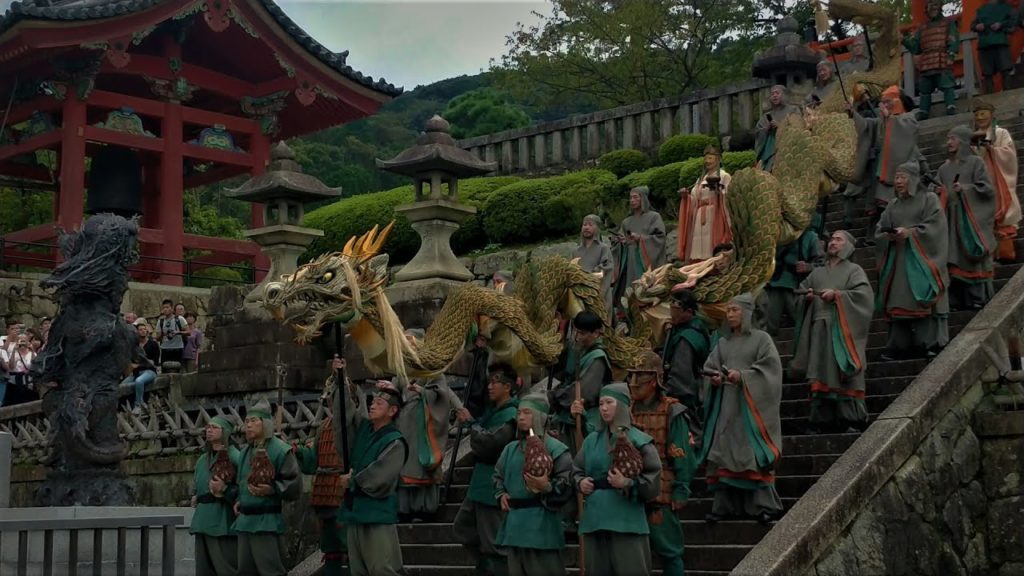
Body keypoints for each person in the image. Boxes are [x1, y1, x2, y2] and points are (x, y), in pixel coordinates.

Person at [701, 293, 784, 525]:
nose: (730, 314)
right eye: (728, 311)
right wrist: (715, 378)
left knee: (751, 456)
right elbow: (710, 366)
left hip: (751, 408)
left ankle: (764, 506)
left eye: (734, 310)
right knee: (724, 454)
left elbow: (771, 371)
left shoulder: (762, 339)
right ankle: (724, 506)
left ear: (747, 313)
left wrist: (744, 377)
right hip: (726, 406)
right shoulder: (722, 343)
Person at [572, 382, 662, 576]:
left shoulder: (640, 441)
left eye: (609, 402)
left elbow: (653, 481)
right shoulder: (591, 441)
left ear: (621, 404)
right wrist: (580, 482)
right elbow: (576, 469)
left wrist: (627, 483)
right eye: (601, 403)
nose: (603, 408)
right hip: (595, 519)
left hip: (626, 520)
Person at [791, 231, 874, 434]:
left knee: (844, 372)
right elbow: (799, 293)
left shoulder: (854, 270)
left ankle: (851, 418)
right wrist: (806, 299)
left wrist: (838, 296)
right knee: (820, 372)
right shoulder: (817, 273)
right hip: (819, 329)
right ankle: (821, 420)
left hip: (842, 329)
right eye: (832, 239)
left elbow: (864, 297)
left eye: (839, 240)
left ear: (848, 246)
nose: (833, 243)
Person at [627, 351, 697, 576]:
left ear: (655, 380)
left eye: (640, 378)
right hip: (629, 488)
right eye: (631, 377)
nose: (634, 384)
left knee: (669, 550)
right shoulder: (625, 409)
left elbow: (681, 454)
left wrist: (681, 489)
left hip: (662, 487)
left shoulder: (672, 410)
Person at [336, 367, 408, 576]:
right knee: (358, 570)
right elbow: (344, 415)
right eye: (372, 402)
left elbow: (379, 476)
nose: (372, 405)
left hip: (377, 515)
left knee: (381, 569)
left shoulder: (395, 441)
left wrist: (351, 482)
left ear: (392, 411)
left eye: (379, 403)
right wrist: (340, 379)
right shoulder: (364, 429)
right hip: (355, 512)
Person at [493, 391, 573, 576]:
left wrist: (547, 487)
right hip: (514, 526)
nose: (520, 416)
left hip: (542, 525)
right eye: (519, 412)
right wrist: (501, 494)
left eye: (527, 412)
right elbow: (497, 476)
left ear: (539, 415)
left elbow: (567, 484)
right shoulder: (510, 449)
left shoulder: (556, 449)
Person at [876, 162, 949, 360]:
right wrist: (888, 236)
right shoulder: (893, 205)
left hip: (922, 260)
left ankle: (930, 343)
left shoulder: (929, 199)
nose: (898, 181)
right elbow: (880, 229)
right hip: (899, 262)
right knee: (897, 302)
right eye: (897, 177)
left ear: (914, 179)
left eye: (902, 177)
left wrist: (911, 233)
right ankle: (898, 345)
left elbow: (936, 227)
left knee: (923, 300)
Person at [453, 362, 520, 576]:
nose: (490, 386)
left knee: (494, 543)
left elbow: (491, 444)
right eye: (489, 382)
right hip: (479, 484)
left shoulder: (510, 415)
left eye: (495, 382)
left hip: (493, 484)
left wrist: (471, 424)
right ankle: (485, 567)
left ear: (508, 386)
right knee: (463, 528)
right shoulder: (495, 411)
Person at [392, 330, 463, 522]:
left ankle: (424, 508)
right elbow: (396, 391)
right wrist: (389, 390)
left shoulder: (431, 367)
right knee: (404, 462)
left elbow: (441, 391)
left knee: (421, 463)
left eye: (410, 341)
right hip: (404, 422)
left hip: (424, 421)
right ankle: (404, 508)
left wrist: (422, 391)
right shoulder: (402, 367)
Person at [233, 397, 302, 576]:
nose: (248, 425)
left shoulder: (280, 450)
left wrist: (273, 489)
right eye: (247, 421)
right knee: (244, 571)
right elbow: (241, 482)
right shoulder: (245, 452)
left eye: (254, 421)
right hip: (244, 521)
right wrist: (240, 500)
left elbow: (294, 484)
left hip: (266, 521)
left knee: (270, 570)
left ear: (265, 423)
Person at [293, 361, 350, 576]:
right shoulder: (324, 426)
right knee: (329, 546)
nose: (330, 402)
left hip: (341, 491)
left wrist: (340, 375)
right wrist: (298, 451)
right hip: (323, 493)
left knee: (346, 543)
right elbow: (312, 462)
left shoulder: (351, 425)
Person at [938, 126, 997, 311]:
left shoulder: (975, 163)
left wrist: (966, 189)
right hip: (950, 219)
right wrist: (939, 192)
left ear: (963, 141)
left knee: (971, 257)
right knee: (952, 258)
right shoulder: (944, 168)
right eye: (948, 139)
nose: (949, 142)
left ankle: (977, 297)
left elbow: (987, 189)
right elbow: (936, 190)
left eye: (952, 138)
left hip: (969, 219)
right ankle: (956, 299)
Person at [851, 86, 923, 238]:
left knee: (893, 202)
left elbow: (903, 137)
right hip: (880, 166)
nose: (883, 105)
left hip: (897, 167)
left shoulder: (908, 119)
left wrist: (889, 119)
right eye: (882, 102)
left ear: (897, 102)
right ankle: (874, 235)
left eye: (887, 102)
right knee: (878, 206)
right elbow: (865, 126)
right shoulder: (882, 120)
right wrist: (852, 112)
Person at [550, 311, 612, 453]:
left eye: (583, 334)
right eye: (576, 332)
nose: (577, 337)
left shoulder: (597, 358)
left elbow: (584, 391)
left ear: (596, 334)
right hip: (567, 409)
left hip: (587, 414)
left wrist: (556, 396)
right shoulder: (576, 348)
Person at [190, 416, 241, 576]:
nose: (209, 430)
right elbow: (198, 484)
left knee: (226, 568)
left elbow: (244, 488)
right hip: (202, 519)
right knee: (204, 570)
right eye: (208, 427)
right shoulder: (202, 460)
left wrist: (226, 490)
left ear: (225, 431)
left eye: (214, 427)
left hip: (222, 520)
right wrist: (196, 496)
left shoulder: (235, 457)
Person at [971, 99, 1020, 262]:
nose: (980, 117)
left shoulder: (1001, 133)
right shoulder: (971, 136)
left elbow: (1009, 152)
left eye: (983, 113)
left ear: (991, 115)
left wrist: (992, 150)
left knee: (1003, 212)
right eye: (977, 115)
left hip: (998, 177)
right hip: (980, 180)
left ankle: (1005, 252)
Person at [760, 220, 823, 336]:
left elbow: (823, 264)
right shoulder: (774, 236)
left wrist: (809, 266)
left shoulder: (810, 237)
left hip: (799, 286)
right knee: (768, 327)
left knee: (804, 324)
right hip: (774, 284)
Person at [611, 186, 666, 316]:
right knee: (630, 289)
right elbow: (620, 240)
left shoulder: (654, 217)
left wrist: (641, 239)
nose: (632, 200)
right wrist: (620, 241)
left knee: (645, 288)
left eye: (635, 197)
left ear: (643, 199)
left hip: (644, 259)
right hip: (629, 260)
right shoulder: (626, 221)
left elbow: (660, 237)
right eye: (630, 198)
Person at [903, 0, 959, 118]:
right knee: (925, 89)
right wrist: (904, 40)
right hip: (927, 60)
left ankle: (950, 105)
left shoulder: (948, 23)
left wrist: (951, 54)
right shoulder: (922, 28)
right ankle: (924, 110)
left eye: (936, 5)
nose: (933, 8)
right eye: (930, 6)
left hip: (942, 56)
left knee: (947, 84)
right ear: (927, 9)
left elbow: (953, 39)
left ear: (940, 7)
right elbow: (915, 47)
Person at [677, 144, 732, 263]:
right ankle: (698, 264)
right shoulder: (701, 178)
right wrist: (686, 196)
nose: (708, 162)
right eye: (706, 159)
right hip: (700, 213)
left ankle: (714, 265)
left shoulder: (724, 176)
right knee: (698, 242)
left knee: (710, 241)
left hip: (714, 212)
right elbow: (694, 197)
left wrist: (718, 190)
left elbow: (729, 194)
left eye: (711, 158)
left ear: (718, 159)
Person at [662, 288, 712, 417]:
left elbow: (681, 378)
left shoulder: (687, 339)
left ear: (689, 312)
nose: (672, 314)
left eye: (676, 311)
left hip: (683, 403)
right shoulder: (681, 329)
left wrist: (664, 394)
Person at [973, 0, 1018, 94]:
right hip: (985, 45)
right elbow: (973, 25)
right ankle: (989, 97)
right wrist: (977, 26)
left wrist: (1001, 25)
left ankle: (1009, 94)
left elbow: (1014, 21)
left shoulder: (1006, 7)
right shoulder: (981, 9)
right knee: (987, 74)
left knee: (1005, 70)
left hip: (1000, 43)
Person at [573, 214, 615, 315]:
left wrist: (588, 276)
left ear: (597, 228)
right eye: (584, 225)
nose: (586, 227)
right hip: (580, 295)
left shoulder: (603, 248)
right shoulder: (576, 251)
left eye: (590, 225)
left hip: (599, 294)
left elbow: (607, 268)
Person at [755, 85, 801, 172]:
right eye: (772, 94)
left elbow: (798, 127)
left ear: (784, 95)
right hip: (771, 151)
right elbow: (758, 132)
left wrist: (781, 126)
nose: (774, 95)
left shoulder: (793, 110)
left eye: (777, 93)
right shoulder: (766, 116)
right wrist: (766, 130)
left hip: (788, 149)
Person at [124, 318, 160, 413]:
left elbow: (153, 362)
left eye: (144, 329)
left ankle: (138, 404)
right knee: (122, 385)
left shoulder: (153, 344)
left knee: (139, 381)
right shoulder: (134, 346)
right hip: (136, 372)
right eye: (140, 330)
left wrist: (139, 364)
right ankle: (124, 406)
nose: (143, 331)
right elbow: (130, 362)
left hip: (149, 371)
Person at [156, 298, 189, 366]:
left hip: (178, 348)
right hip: (165, 348)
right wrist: (163, 334)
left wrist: (178, 332)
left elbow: (188, 332)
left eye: (167, 307)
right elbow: (157, 338)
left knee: (178, 368)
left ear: (172, 308)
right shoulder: (161, 321)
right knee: (165, 368)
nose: (165, 309)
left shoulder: (179, 319)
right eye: (164, 308)